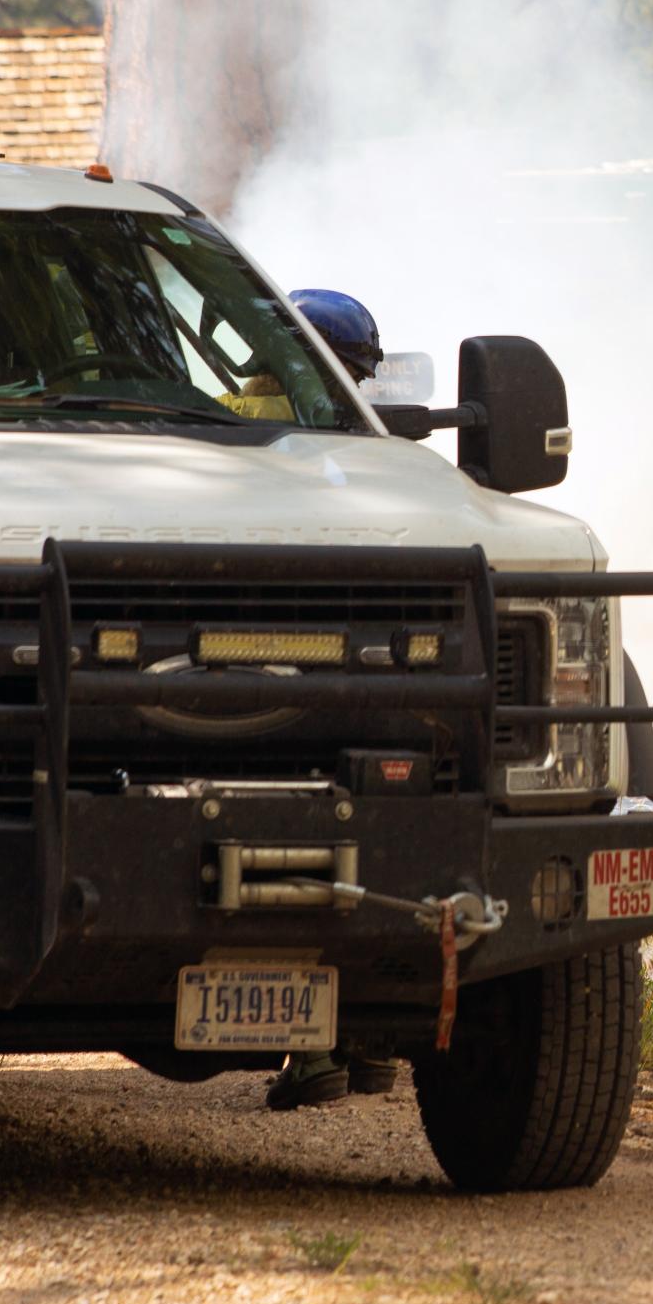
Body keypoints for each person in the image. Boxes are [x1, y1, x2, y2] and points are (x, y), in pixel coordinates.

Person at [260, 288, 404, 1111]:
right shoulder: (351, 448)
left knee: (296, 860)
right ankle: (363, 1046)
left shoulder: (221, 421)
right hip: (346, 679)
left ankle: (322, 1054)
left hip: (266, 689)